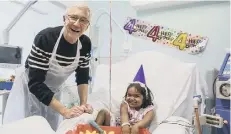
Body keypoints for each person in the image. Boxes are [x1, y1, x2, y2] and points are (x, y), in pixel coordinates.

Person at [3, 4, 93, 131]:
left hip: (55, 90)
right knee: (32, 126)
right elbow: (35, 84)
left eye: (83, 20)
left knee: (52, 127)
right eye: (73, 17)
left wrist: (83, 105)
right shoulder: (46, 39)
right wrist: (65, 111)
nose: (77, 24)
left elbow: (83, 76)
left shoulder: (85, 43)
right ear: (64, 19)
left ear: (87, 25)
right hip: (30, 89)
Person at [95, 65, 155, 134]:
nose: (132, 98)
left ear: (144, 98)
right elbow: (124, 116)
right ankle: (95, 131)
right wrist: (125, 125)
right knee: (103, 112)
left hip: (136, 130)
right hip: (117, 128)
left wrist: (137, 126)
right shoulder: (125, 105)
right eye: (129, 95)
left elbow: (146, 120)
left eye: (136, 96)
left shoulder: (148, 110)